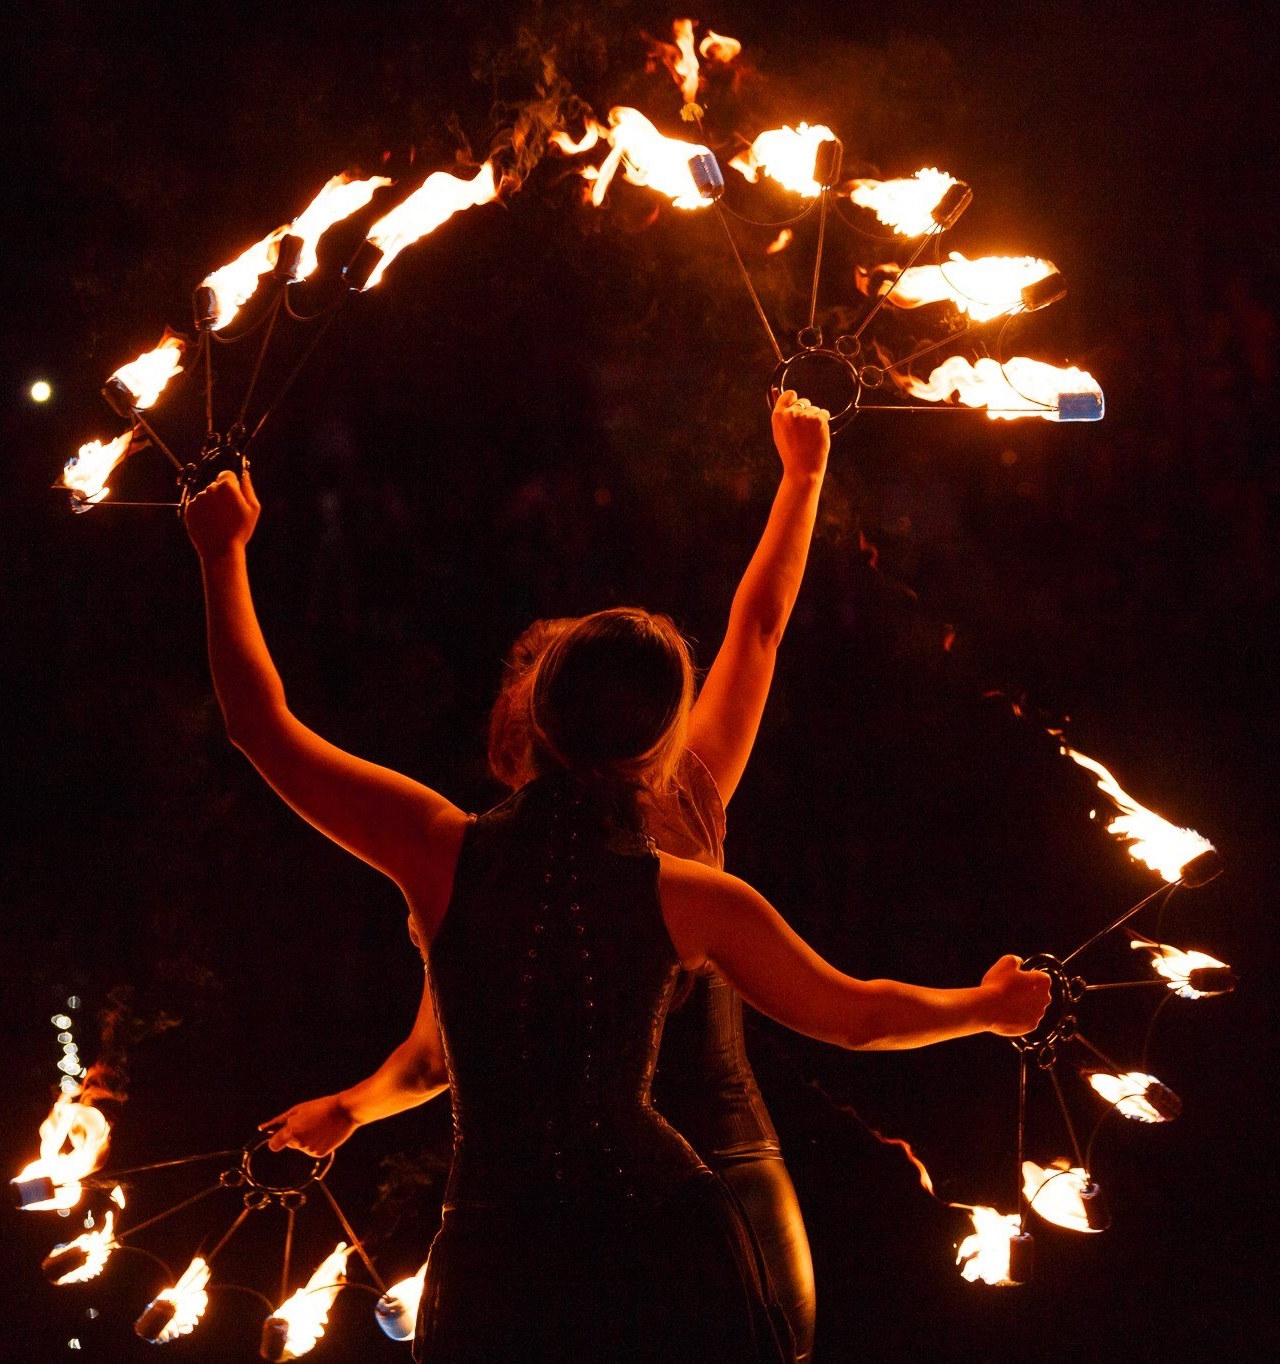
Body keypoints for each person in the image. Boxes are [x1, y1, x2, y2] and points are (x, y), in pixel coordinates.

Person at [185, 444, 1049, 1363]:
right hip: (663, 1225)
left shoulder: (438, 850)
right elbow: (859, 1018)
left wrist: (220, 550)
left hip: (503, 1242)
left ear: (532, 717)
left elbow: (259, 726)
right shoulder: (692, 889)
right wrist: (986, 1010)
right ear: (663, 745)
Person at [264, 390, 832, 1359]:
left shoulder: (474, 862)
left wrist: (348, 1107)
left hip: (678, 1186)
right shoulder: (664, 797)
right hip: (682, 1190)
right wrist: (803, 472)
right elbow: (759, 629)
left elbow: (437, 1059)